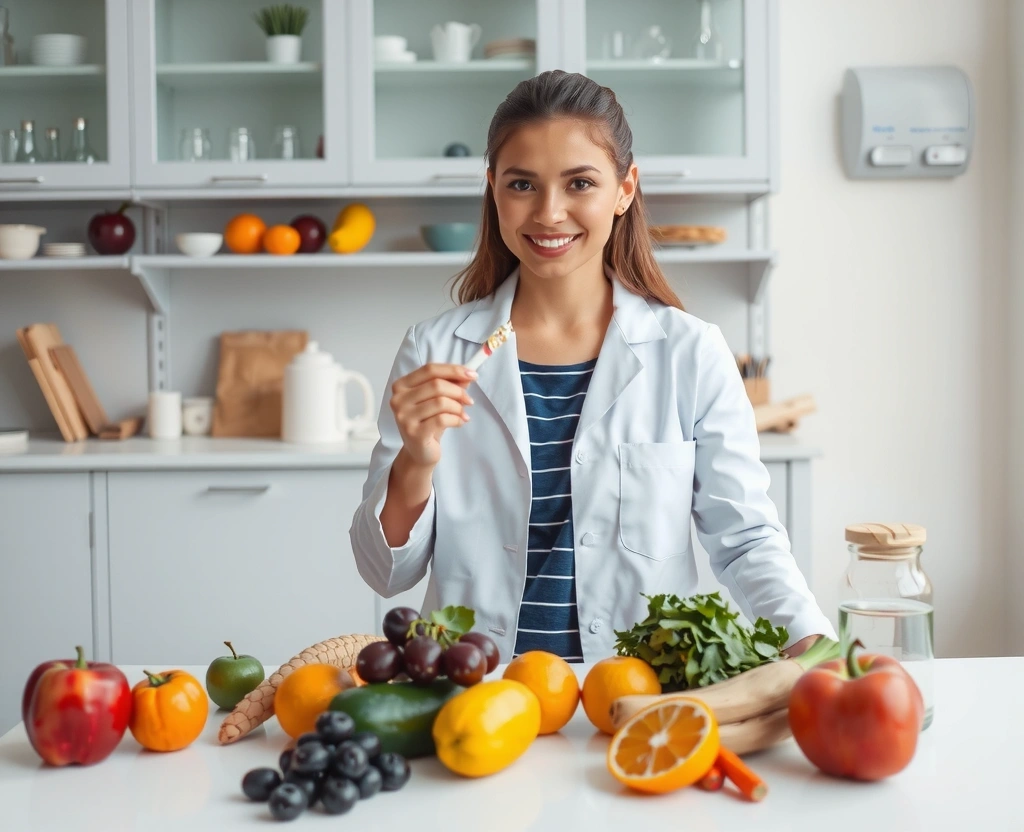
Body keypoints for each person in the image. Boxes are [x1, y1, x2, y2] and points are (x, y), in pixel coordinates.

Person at [350, 70, 835, 663]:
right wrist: (417, 461)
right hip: (478, 691)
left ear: (625, 189)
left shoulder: (690, 352)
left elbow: (746, 538)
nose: (549, 212)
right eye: (522, 184)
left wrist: (813, 645)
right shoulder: (435, 350)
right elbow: (383, 572)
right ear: (493, 190)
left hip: (635, 689)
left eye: (579, 183)